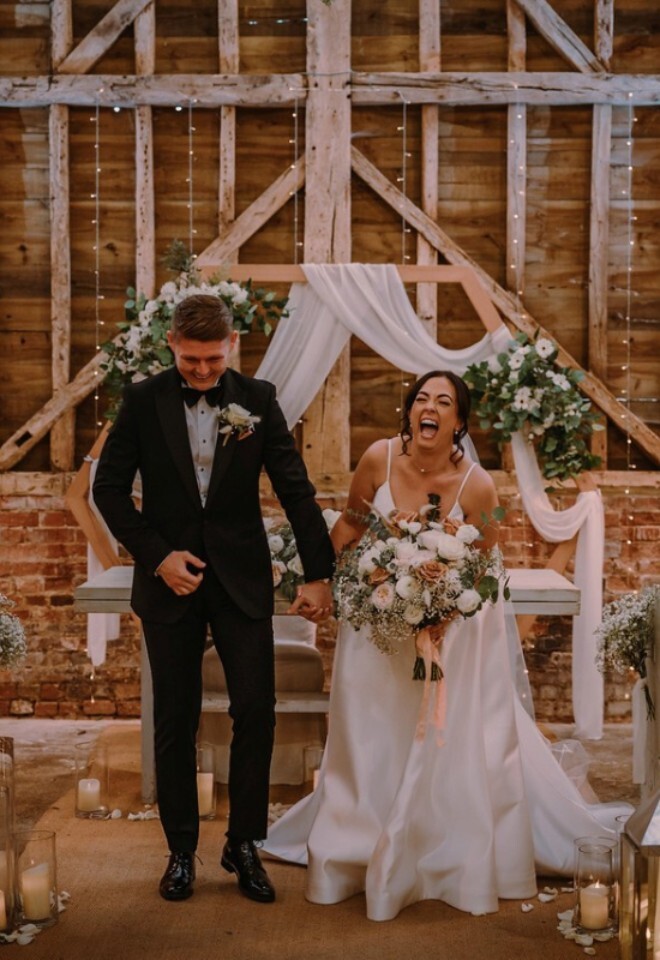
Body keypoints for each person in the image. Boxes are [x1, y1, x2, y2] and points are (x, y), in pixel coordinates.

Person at [263, 370, 631, 921]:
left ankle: (437, 847)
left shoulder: (476, 485)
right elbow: (351, 530)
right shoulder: (377, 460)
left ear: (458, 421)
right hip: (374, 628)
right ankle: (356, 843)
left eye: (444, 402)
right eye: (421, 400)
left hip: (447, 640)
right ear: (409, 412)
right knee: (368, 739)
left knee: (437, 745)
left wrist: (440, 608)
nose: (429, 408)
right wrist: (322, 581)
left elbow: (482, 570)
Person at [93, 293, 335, 905]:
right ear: (172, 344)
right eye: (191, 359)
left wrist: (318, 574)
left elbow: (297, 491)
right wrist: (158, 557)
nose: (202, 371)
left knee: (256, 708)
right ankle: (180, 852)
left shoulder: (259, 401)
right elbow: (111, 490)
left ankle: (244, 843)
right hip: (167, 581)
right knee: (174, 719)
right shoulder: (145, 401)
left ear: (231, 347)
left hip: (240, 579)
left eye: (212, 359)